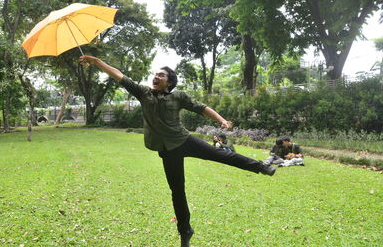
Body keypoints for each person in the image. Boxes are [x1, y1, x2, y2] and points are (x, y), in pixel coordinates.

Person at [79, 55, 277, 247]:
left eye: (161, 76)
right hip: (167, 150)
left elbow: (202, 108)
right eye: (155, 75)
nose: (156, 77)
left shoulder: (178, 96)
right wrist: (96, 62)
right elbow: (118, 75)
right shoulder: (143, 93)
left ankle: (261, 167)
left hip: (184, 141)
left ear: (169, 82)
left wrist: (221, 120)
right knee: (177, 191)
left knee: (222, 154)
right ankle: (185, 231)